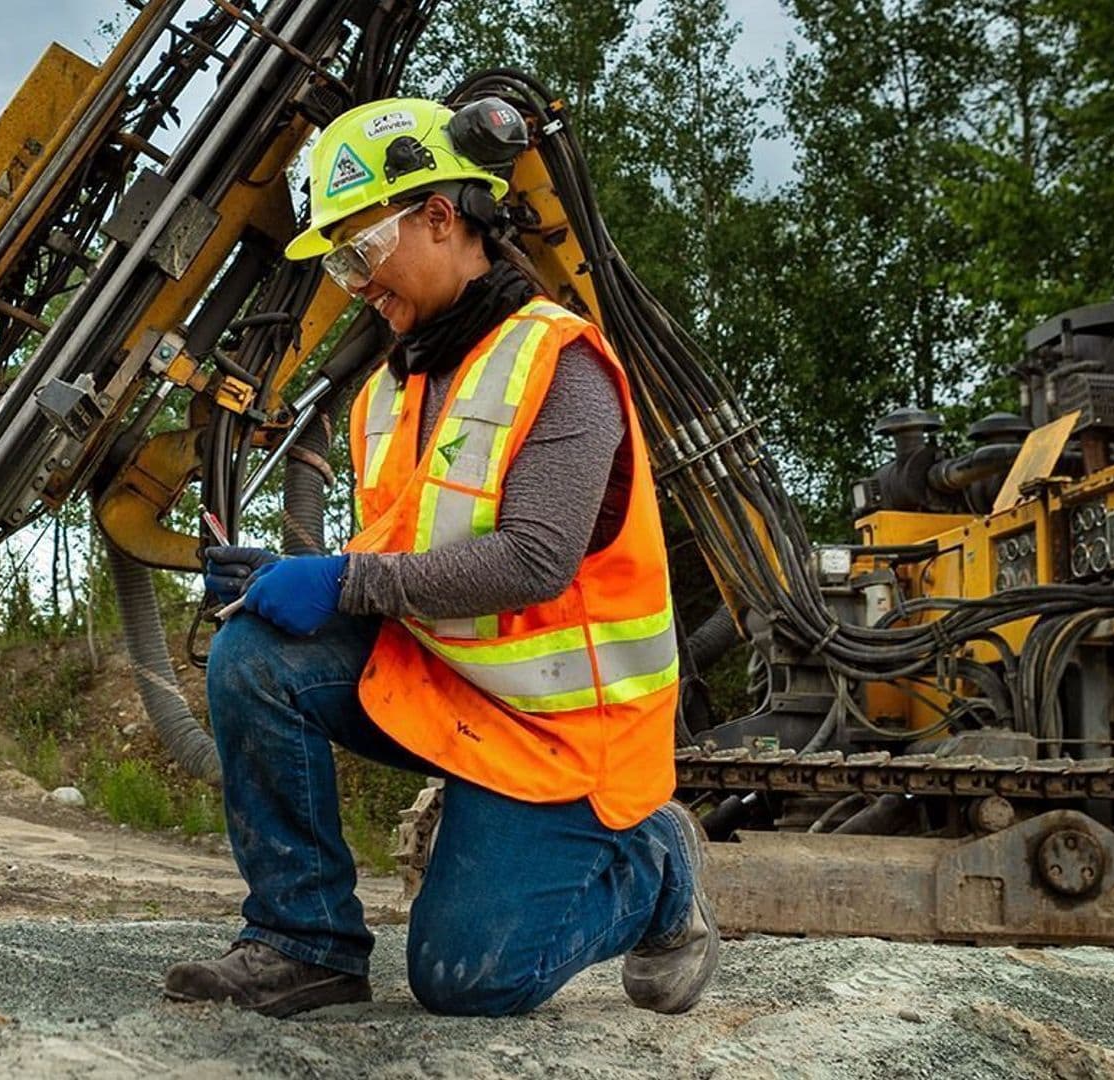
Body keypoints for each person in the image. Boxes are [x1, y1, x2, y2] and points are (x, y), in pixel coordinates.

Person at [163, 97, 715, 1018]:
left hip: (567, 735)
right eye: (336, 261)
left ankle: (655, 865)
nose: (352, 282)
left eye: (360, 251)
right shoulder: (388, 389)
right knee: (254, 657)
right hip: (458, 685)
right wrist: (281, 577)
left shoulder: (561, 361)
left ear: (438, 215)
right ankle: (304, 943)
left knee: (469, 981)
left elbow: (534, 560)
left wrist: (343, 580)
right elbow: (409, 551)